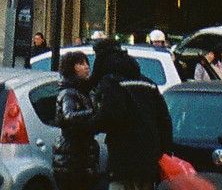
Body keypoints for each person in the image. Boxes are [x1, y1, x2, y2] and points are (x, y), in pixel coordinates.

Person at [91, 38, 172, 190]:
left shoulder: (110, 82)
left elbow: (109, 118)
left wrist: (89, 125)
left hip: (123, 156)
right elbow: (164, 119)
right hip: (149, 156)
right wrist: (164, 150)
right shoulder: (148, 83)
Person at [52, 51, 100, 190]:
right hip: (72, 157)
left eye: (86, 63)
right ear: (71, 68)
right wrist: (94, 113)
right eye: (80, 64)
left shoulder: (86, 92)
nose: (86, 67)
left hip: (81, 155)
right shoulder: (69, 92)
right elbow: (69, 115)